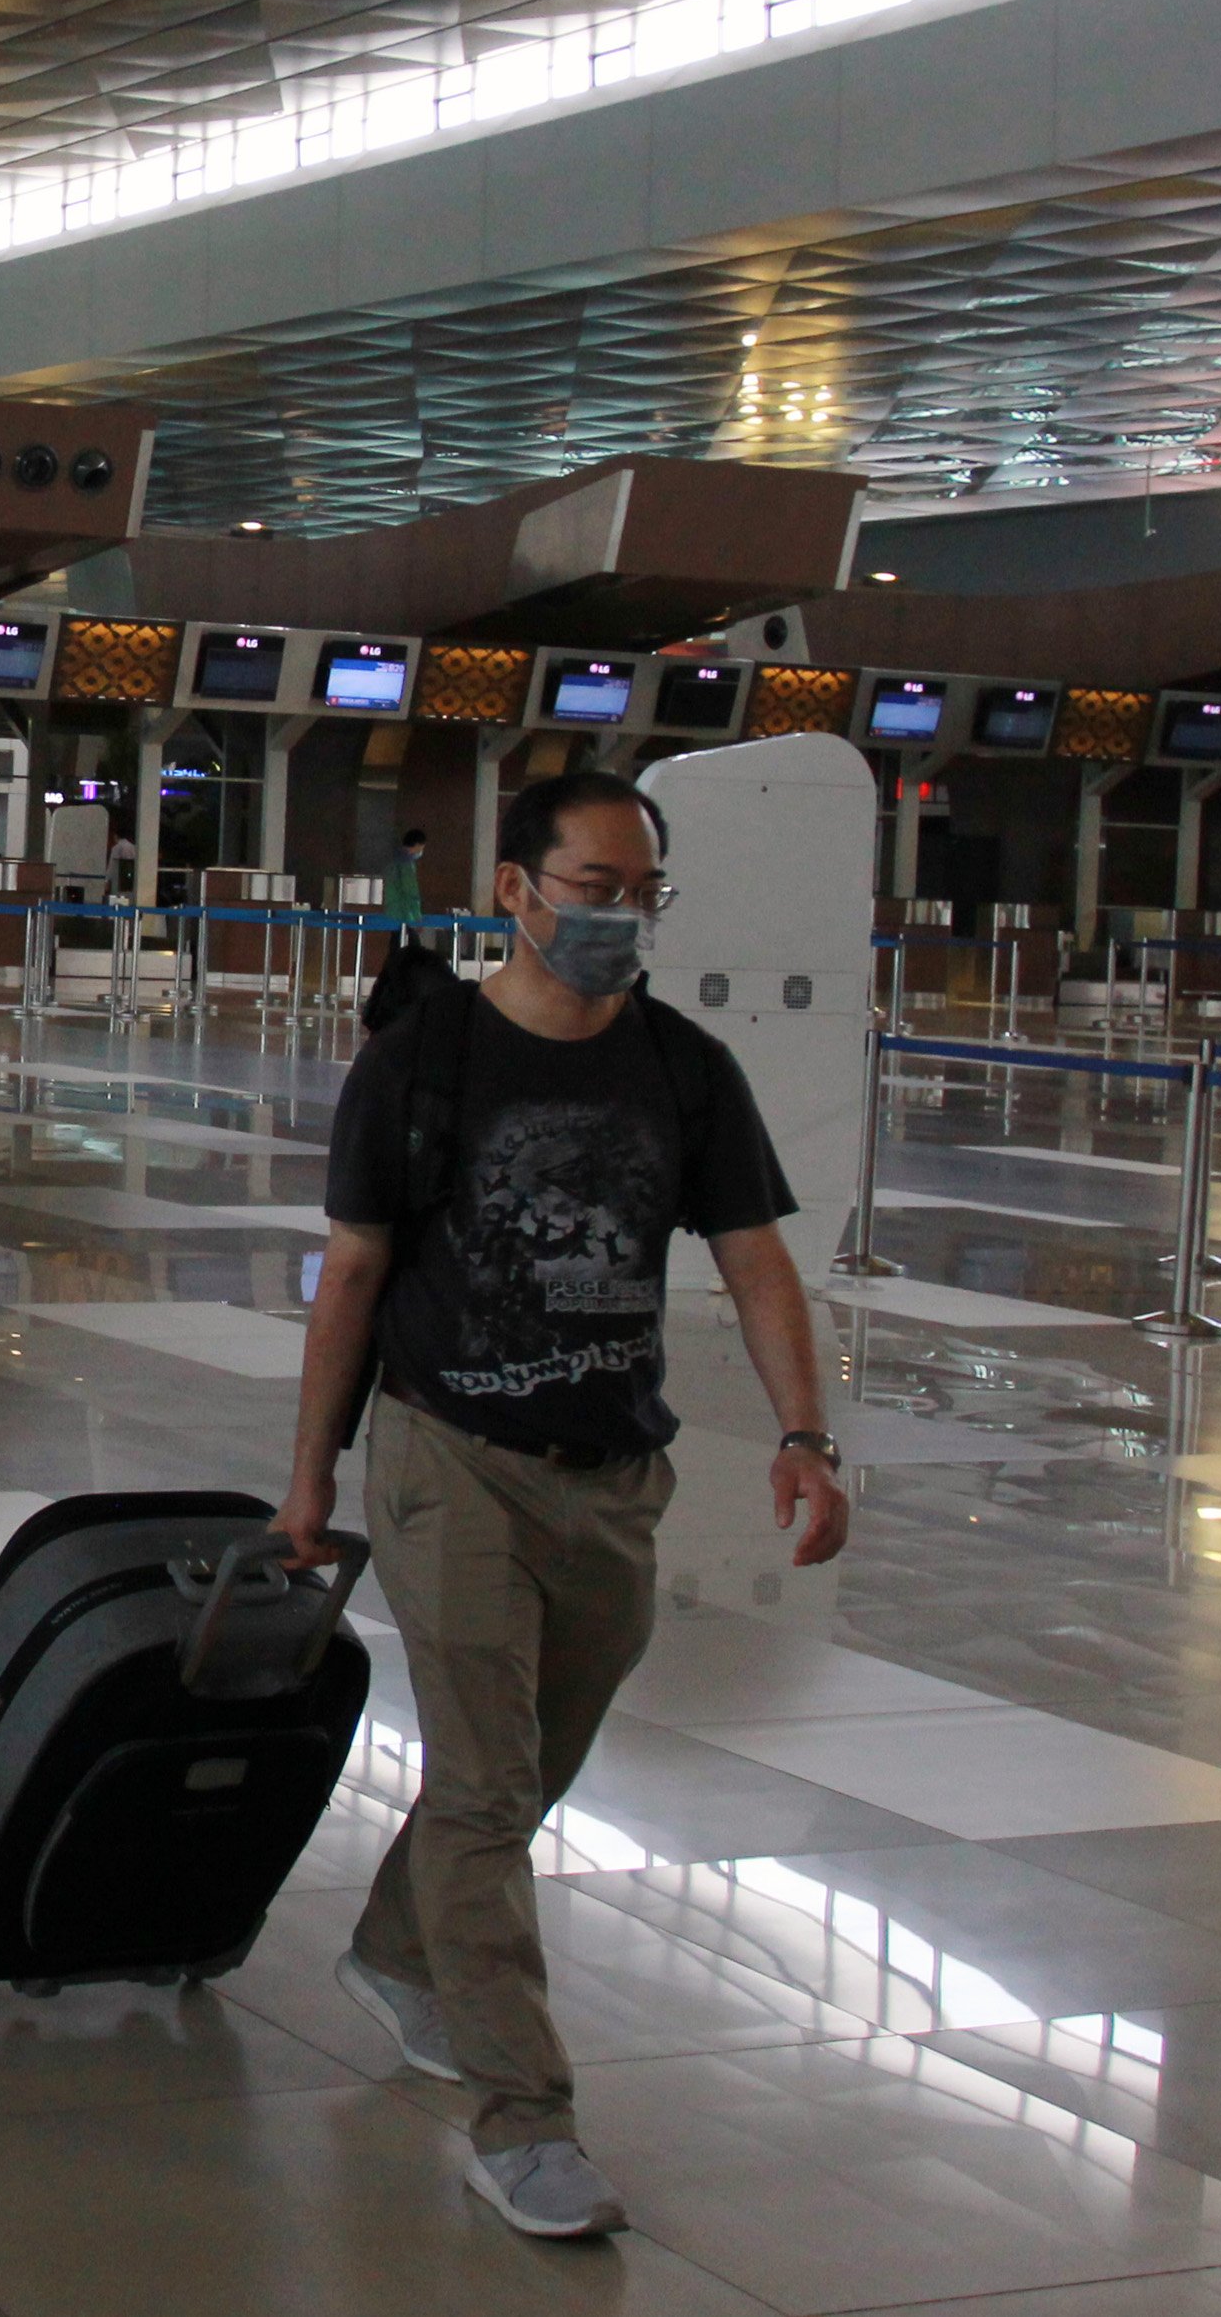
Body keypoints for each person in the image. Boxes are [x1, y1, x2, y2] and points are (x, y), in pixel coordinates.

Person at [280, 769, 849, 2244]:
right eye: (594, 887)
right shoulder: (423, 1063)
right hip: (447, 1452)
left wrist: (806, 1434)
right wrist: (309, 1478)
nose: (620, 916)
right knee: (481, 1784)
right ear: (518, 890)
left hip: (610, 1477)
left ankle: (404, 1948)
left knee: (532, 1762)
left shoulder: (683, 1067)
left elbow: (758, 1262)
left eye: (641, 891)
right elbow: (351, 1273)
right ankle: (523, 2117)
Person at [386, 826, 428, 937]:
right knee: (412, 948)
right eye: (421, 848)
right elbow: (410, 891)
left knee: (396, 944)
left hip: (392, 912)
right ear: (417, 845)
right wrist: (416, 916)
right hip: (405, 914)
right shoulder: (406, 864)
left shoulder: (393, 861)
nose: (421, 851)